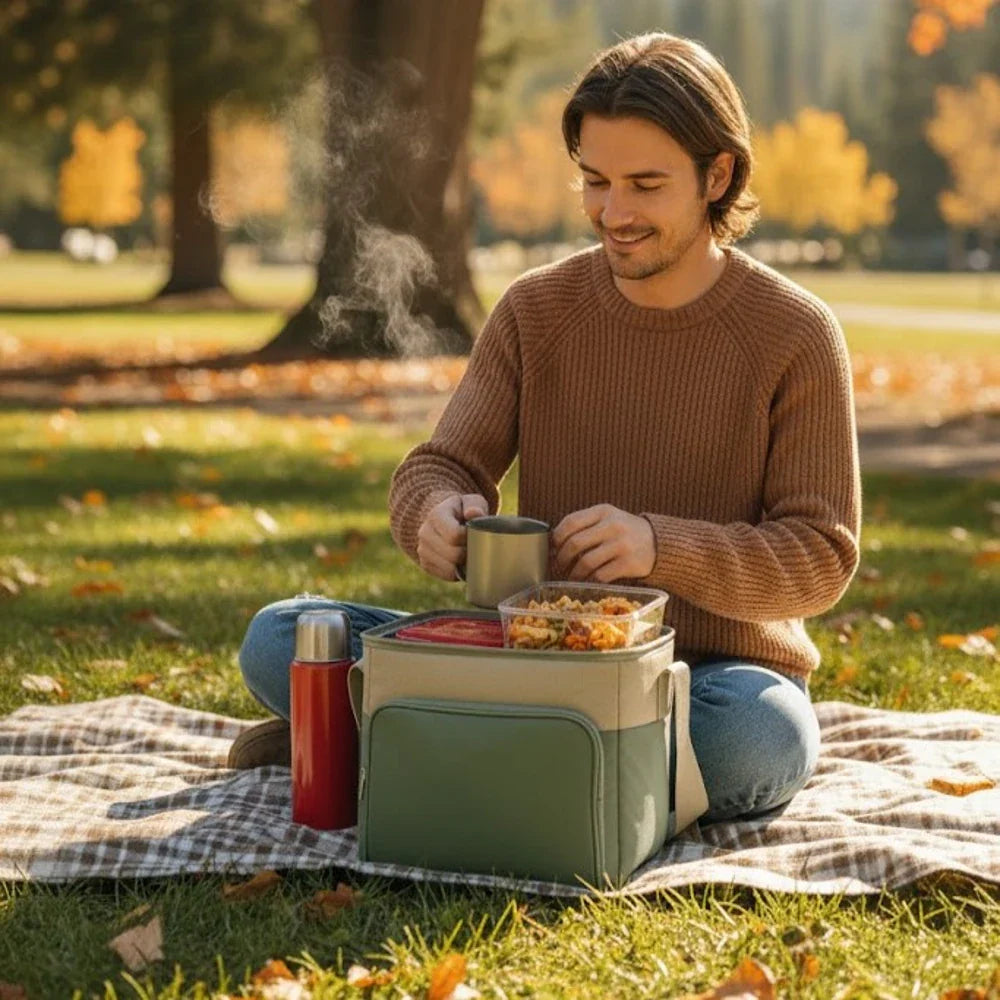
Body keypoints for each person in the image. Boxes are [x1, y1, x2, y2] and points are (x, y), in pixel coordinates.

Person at [231, 32, 860, 824]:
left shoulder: (795, 333)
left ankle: (400, 739)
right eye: (595, 181)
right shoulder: (538, 309)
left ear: (718, 175)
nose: (614, 212)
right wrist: (433, 515)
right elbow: (440, 466)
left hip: (710, 677)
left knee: (754, 744)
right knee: (280, 639)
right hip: (531, 659)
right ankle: (539, 755)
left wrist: (662, 549)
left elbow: (820, 556)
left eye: (645, 184)